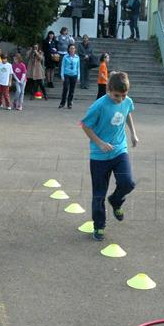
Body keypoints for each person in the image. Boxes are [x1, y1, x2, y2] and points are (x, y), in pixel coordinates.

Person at [80, 71, 139, 242]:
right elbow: (85, 126)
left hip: (120, 150)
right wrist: (99, 143)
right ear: (108, 89)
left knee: (127, 183)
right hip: (99, 156)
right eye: (116, 96)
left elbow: (127, 112)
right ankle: (99, 225)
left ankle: (115, 200)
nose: (120, 99)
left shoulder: (127, 101)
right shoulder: (99, 106)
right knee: (99, 193)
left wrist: (133, 134)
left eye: (124, 95)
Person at [59, 43, 79, 109]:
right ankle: (62, 103)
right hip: (66, 74)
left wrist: (78, 76)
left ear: (75, 49)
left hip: (74, 75)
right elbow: (62, 66)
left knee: (72, 90)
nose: (72, 50)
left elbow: (78, 67)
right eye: (71, 48)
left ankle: (69, 103)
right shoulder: (65, 57)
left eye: (73, 48)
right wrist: (62, 75)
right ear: (68, 49)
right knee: (65, 88)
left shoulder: (77, 57)